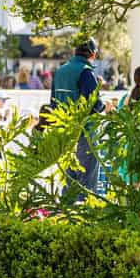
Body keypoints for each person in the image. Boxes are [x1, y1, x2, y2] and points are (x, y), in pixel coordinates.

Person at [51, 39, 106, 197]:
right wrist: (105, 107)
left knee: (69, 180)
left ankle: (65, 215)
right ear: (93, 54)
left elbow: (52, 103)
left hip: (65, 134)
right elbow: (95, 104)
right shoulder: (85, 72)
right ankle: (83, 217)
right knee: (86, 182)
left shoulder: (60, 71)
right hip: (85, 133)